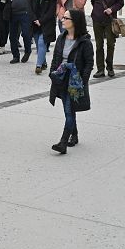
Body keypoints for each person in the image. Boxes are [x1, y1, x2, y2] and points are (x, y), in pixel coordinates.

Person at [49, 9, 93, 154]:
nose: (62, 20)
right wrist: (52, 74)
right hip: (61, 79)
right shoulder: (61, 38)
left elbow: (89, 64)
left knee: (69, 111)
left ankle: (63, 142)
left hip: (74, 81)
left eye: (66, 18)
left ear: (75, 22)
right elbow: (56, 58)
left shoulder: (85, 42)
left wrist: (82, 81)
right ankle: (74, 135)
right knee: (69, 109)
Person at [90, 0, 124, 78]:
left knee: (110, 44)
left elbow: (120, 2)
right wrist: (97, 10)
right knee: (99, 45)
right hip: (97, 19)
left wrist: (112, 9)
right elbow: (94, 1)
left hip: (110, 20)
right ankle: (100, 69)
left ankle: (110, 67)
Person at [0, 0, 34, 64]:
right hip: (13, 13)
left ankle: (27, 51)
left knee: (26, 34)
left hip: (25, 13)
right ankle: (15, 55)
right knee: (13, 36)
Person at [31, 0, 58, 74]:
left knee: (42, 42)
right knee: (38, 45)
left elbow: (51, 11)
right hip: (35, 23)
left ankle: (38, 65)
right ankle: (43, 62)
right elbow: (29, 8)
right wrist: (35, 19)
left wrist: (41, 21)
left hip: (47, 23)